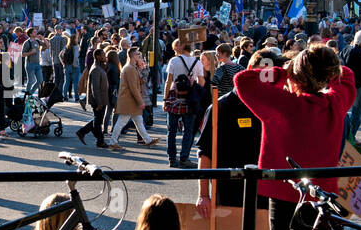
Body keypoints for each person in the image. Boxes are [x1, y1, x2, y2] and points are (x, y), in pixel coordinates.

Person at [234, 45, 356, 230]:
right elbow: (347, 75)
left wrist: (283, 72)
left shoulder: (284, 104)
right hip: (323, 193)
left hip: (284, 191)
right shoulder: (335, 104)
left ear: (296, 76)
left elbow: (243, 80)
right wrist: (322, 71)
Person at [196, 50, 276, 218]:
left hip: (264, 194)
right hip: (228, 192)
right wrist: (203, 195)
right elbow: (205, 154)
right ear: (249, 70)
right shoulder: (222, 107)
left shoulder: (271, 106)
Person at [163, 39, 204, 168]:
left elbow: (168, 81)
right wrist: (192, 85)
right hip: (190, 98)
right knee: (188, 130)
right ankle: (184, 158)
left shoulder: (173, 61)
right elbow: (202, 82)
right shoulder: (197, 62)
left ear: (181, 48)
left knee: (172, 131)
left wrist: (165, 99)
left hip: (174, 96)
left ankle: (172, 158)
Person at [110, 46, 158, 147]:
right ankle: (113, 142)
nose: (139, 56)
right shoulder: (130, 68)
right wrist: (140, 101)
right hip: (129, 100)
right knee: (122, 121)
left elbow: (140, 82)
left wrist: (142, 69)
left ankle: (148, 140)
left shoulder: (132, 68)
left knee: (138, 121)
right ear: (132, 56)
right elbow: (133, 87)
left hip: (130, 100)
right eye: (137, 54)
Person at [76, 47, 112, 148]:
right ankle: (100, 141)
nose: (104, 56)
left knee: (97, 120)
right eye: (102, 55)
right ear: (97, 56)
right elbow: (95, 88)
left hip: (102, 98)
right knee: (98, 121)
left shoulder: (100, 67)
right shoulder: (96, 69)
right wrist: (99, 102)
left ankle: (83, 132)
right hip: (98, 99)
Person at [343, 30, 361, 142]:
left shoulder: (347, 49)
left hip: (346, 82)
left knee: (345, 110)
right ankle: (351, 135)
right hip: (357, 84)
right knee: (357, 112)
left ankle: (347, 134)